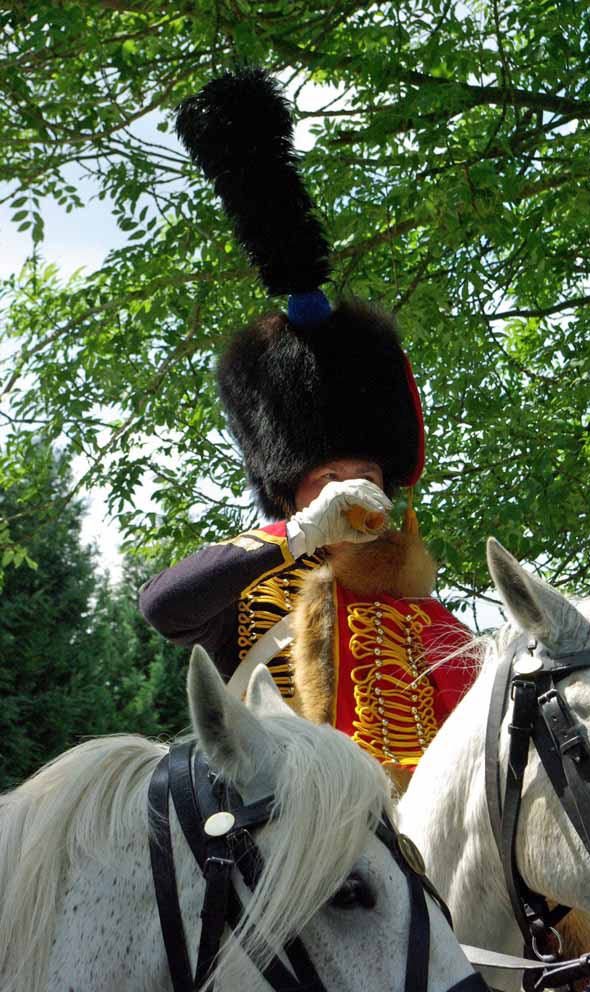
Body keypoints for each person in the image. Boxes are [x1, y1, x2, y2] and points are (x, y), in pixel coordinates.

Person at [139, 67, 474, 785]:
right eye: (331, 475)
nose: (355, 486)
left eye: (368, 474)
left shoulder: (430, 618)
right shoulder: (242, 596)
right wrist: (296, 539)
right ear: (293, 490)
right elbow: (163, 605)